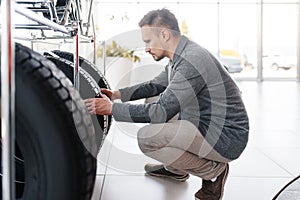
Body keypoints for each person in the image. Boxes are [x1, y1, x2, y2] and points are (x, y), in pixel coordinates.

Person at [84, 8, 249, 200]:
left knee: (147, 138)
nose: (146, 48)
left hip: (225, 137)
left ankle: (213, 171)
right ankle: (176, 169)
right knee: (154, 97)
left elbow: (160, 112)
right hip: (206, 122)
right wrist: (116, 95)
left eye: (148, 41)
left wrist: (112, 109)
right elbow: (155, 85)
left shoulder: (191, 61)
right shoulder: (179, 56)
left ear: (164, 34)